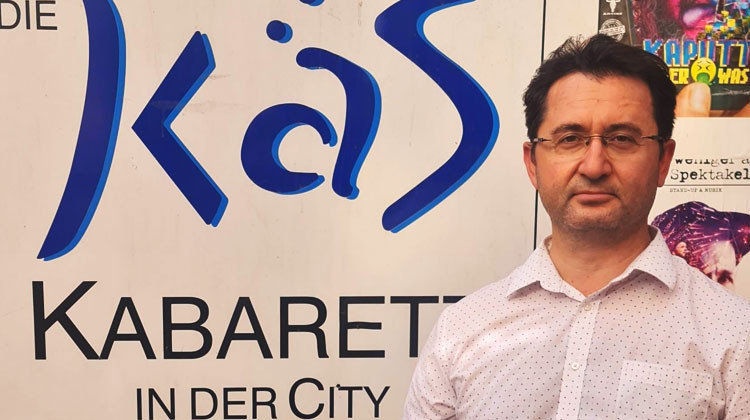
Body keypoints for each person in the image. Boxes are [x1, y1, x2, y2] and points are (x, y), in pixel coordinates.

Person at [402, 34, 750, 419]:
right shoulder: (461, 331)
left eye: (622, 139)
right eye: (570, 139)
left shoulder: (734, 335)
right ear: (533, 163)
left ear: (663, 161)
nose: (594, 166)